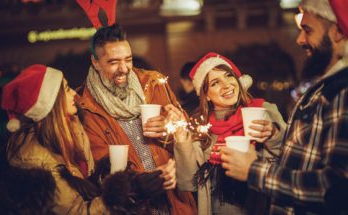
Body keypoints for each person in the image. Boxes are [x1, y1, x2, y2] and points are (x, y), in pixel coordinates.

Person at [219, 0, 348, 214]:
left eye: (307, 30)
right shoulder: (327, 87)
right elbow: (309, 156)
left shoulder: (343, 90)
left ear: (337, 33)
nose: (300, 39)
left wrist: (254, 170)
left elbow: (337, 187)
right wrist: (275, 134)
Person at [0, 64, 166, 214]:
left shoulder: (72, 129)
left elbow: (85, 183)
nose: (74, 95)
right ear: (52, 103)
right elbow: (76, 211)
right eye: (67, 90)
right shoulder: (35, 157)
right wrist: (129, 191)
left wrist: (106, 177)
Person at [76, 24, 197, 214]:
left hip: (175, 201)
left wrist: (171, 129)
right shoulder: (85, 108)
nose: (124, 69)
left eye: (128, 60)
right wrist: (141, 183)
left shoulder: (154, 83)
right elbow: (98, 173)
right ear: (96, 62)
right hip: (134, 207)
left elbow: (189, 136)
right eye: (113, 62)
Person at [167, 52, 286, 215]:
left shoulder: (264, 111)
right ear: (206, 95)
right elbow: (189, 183)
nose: (226, 85)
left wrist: (273, 134)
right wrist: (182, 139)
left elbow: (289, 156)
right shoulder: (202, 127)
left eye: (228, 76)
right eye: (215, 83)